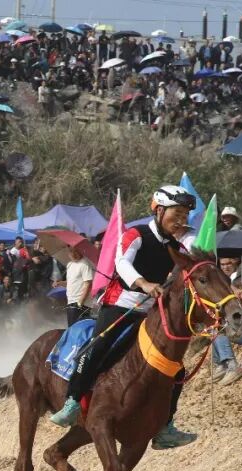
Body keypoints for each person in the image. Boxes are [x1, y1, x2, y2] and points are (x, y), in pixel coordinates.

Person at [49, 185, 199, 450]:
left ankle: (166, 427)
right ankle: (73, 401)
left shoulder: (177, 246)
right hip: (122, 304)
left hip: (151, 312)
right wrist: (144, 283)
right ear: (159, 209)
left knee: (176, 367)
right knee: (97, 348)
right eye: (177, 212)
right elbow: (122, 263)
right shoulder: (136, 234)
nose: (182, 219)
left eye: (186, 214)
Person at [62, 245, 95, 326]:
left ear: (81, 251)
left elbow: (88, 284)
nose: (73, 254)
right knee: (71, 328)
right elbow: (71, 282)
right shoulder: (70, 264)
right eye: (70, 251)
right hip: (71, 301)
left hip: (81, 303)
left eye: (75, 251)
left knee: (76, 329)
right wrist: (60, 283)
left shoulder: (85, 264)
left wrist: (80, 302)